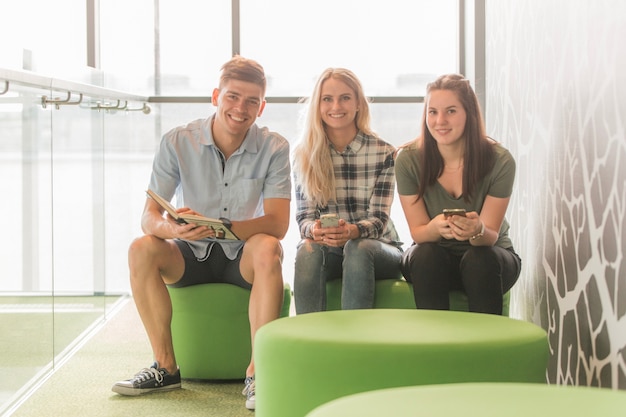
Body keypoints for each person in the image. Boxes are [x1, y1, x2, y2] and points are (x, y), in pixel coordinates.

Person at [111, 55, 291, 410]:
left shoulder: (275, 148)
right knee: (141, 248)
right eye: (233, 97)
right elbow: (149, 217)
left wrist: (224, 229)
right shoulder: (178, 141)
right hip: (188, 254)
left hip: (242, 256)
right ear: (215, 97)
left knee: (269, 247)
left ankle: (258, 373)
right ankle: (165, 367)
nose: (241, 108)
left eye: (252, 101)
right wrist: (172, 226)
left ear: (262, 107)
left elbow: (277, 223)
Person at [395, 74, 521, 315]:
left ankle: (486, 347)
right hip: (433, 262)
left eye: (451, 111)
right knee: (425, 255)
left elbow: (490, 236)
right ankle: (435, 346)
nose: (440, 120)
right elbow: (419, 232)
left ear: (469, 114)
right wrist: (434, 228)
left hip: (488, 259)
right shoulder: (409, 160)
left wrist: (477, 230)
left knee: (479, 259)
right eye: (432, 112)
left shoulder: (500, 161)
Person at [292, 68, 403, 313]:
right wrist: (316, 231)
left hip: (379, 248)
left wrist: (352, 231)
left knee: (357, 247)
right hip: (329, 250)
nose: (336, 106)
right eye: (327, 99)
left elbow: (379, 221)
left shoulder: (383, 153)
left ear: (358, 104)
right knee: (307, 249)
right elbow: (304, 219)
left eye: (345, 98)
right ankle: (309, 339)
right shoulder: (303, 154)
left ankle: (353, 342)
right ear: (318, 106)